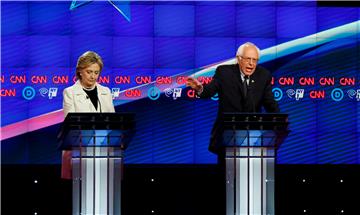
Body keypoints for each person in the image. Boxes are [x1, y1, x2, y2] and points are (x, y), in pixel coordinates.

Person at [186, 42, 280, 154]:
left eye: (254, 60)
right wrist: (199, 88)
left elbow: (270, 104)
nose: (251, 64)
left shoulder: (263, 75)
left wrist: (279, 122)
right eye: (248, 59)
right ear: (239, 59)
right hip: (227, 136)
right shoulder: (224, 72)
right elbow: (209, 91)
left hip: (252, 138)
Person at [61, 51, 115, 179]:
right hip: (78, 149)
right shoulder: (70, 93)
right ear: (80, 71)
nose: (93, 76)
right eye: (89, 72)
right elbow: (71, 123)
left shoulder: (105, 92)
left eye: (96, 73)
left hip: (102, 148)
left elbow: (113, 120)